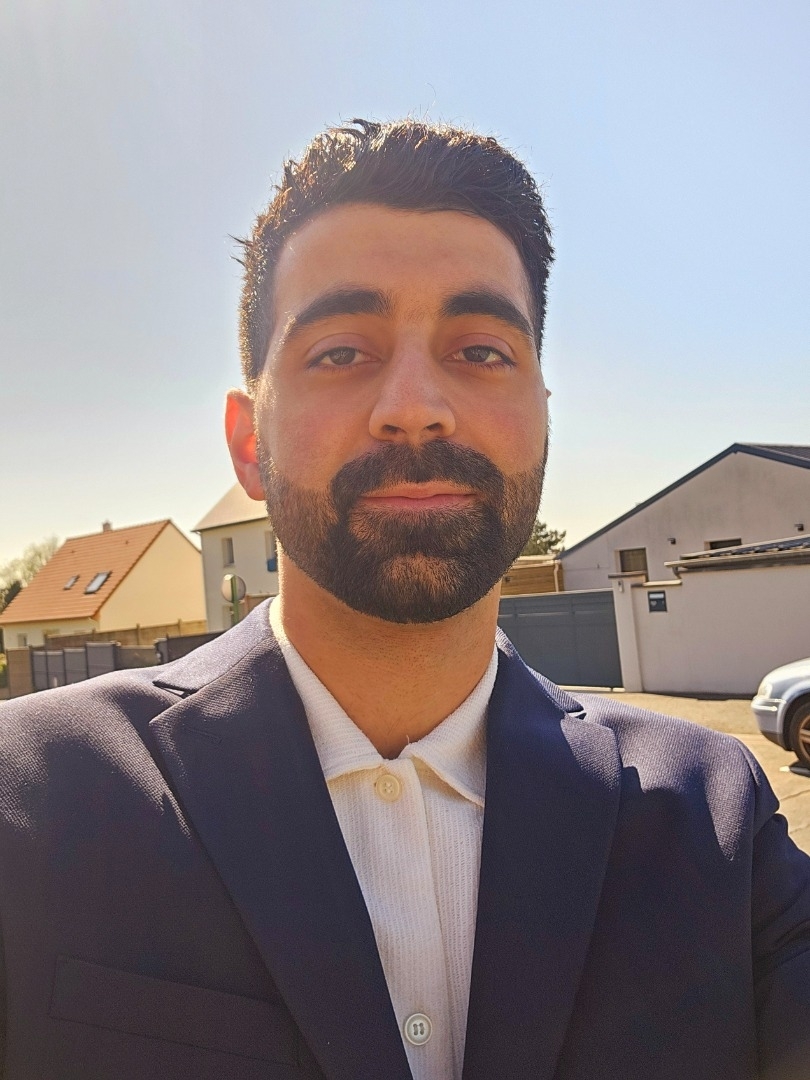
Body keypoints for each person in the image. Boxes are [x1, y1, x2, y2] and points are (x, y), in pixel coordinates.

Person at [0, 119, 808, 1080]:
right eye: (343, 352)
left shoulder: (716, 818)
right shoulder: (31, 800)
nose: (416, 407)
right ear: (249, 444)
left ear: (543, 416)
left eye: (482, 351)